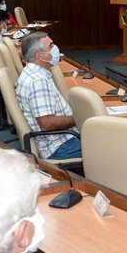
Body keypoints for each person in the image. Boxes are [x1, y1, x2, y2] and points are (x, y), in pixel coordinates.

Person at [16, 32, 81, 160]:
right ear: (40, 56)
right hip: (60, 147)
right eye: (51, 46)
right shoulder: (38, 81)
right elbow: (47, 124)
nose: (55, 47)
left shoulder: (31, 72)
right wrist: (80, 117)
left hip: (62, 141)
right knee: (112, 144)